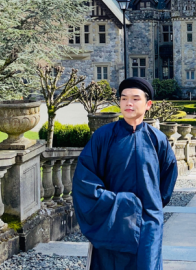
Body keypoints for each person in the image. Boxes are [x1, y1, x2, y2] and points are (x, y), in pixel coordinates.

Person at [72, 77, 178, 270]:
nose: (129, 103)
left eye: (136, 99)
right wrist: (120, 203)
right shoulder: (103, 137)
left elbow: (167, 180)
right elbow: (85, 179)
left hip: (148, 223)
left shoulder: (158, 140)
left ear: (148, 105)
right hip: (113, 220)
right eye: (124, 98)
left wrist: (149, 207)